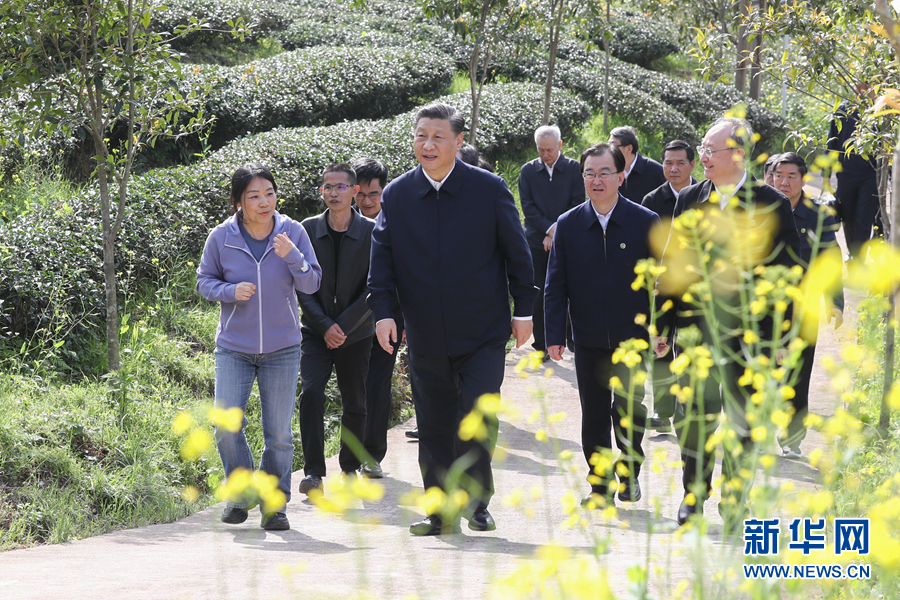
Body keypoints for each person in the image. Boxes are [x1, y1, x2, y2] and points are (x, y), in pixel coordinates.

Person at [368, 102, 535, 535]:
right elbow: (381, 260)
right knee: (434, 423)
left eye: (438, 137)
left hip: (482, 330)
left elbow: (518, 254)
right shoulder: (398, 195)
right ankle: (440, 510)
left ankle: (477, 502)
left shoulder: (489, 188)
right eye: (421, 135)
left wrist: (525, 312)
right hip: (424, 332)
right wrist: (384, 314)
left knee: (477, 417)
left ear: (458, 143)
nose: (428, 144)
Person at [656, 117, 801, 528]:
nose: (701, 157)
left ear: (737, 154)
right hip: (696, 332)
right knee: (694, 418)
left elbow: (790, 278)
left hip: (750, 337)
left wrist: (781, 341)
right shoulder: (689, 199)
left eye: (709, 149)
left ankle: (736, 501)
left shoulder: (770, 204)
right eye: (702, 147)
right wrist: (661, 325)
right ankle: (693, 496)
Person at [197, 163, 322, 531]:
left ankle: (274, 505)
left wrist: (293, 257)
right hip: (234, 347)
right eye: (254, 195)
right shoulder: (221, 237)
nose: (264, 201)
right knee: (226, 425)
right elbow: (204, 281)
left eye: (269, 193)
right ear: (238, 201)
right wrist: (229, 292)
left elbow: (313, 283)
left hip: (283, 348)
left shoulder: (292, 232)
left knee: (279, 434)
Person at [545, 142, 659, 507]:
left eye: (604, 173)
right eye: (589, 173)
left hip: (633, 337)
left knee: (628, 410)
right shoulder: (569, 223)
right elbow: (555, 283)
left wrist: (662, 329)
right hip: (589, 338)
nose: (596, 180)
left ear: (621, 177)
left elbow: (664, 282)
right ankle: (599, 488)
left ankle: (629, 475)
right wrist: (554, 335)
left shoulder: (645, 221)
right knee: (593, 416)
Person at [297, 163, 376, 495]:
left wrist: (341, 326)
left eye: (340, 187)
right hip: (315, 331)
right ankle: (313, 472)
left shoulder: (373, 232)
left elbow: (375, 286)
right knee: (311, 394)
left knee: (355, 402)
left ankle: (349, 466)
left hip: (356, 333)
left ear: (355, 191)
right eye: (327, 187)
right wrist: (325, 325)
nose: (333, 193)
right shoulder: (307, 229)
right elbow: (301, 283)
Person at [771, 152, 844, 458]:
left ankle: (792, 438)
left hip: (804, 306)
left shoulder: (817, 214)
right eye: (779, 175)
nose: (784, 182)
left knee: (799, 373)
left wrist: (835, 301)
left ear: (803, 180)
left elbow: (831, 258)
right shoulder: (758, 208)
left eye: (791, 176)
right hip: (764, 306)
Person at [350, 157, 409, 476]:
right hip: (349, 322)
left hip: (388, 319)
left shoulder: (399, 221)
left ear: (385, 191)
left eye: (374, 194)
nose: (368, 201)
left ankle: (372, 454)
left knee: (377, 385)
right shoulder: (344, 222)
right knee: (353, 388)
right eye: (361, 194)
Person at [641, 140, 697, 434]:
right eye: (667, 163)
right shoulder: (651, 201)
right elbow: (646, 245)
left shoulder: (704, 196)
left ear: (692, 165)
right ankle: (663, 411)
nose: (673, 169)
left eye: (679, 163)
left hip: (693, 285)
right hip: (660, 285)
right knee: (660, 346)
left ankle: (689, 408)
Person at [518, 125, 584, 359]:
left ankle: (570, 337)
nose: (545, 154)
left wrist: (557, 231)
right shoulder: (528, 171)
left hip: (567, 239)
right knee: (539, 292)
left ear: (560, 145)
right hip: (536, 241)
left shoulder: (575, 169)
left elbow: (578, 202)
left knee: (570, 290)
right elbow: (528, 207)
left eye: (549, 149)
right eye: (540, 150)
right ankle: (542, 345)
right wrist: (549, 229)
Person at [828, 84, 880, 260]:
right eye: (861, 86)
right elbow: (832, 143)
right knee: (848, 217)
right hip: (846, 174)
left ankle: (858, 258)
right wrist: (826, 174)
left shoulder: (881, 111)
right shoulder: (842, 110)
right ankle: (853, 253)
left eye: (870, 86)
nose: (865, 90)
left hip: (872, 174)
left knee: (865, 217)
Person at [609, 125, 666, 204]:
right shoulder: (609, 170)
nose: (609, 149)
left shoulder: (655, 171)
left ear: (629, 148)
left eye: (613, 145)